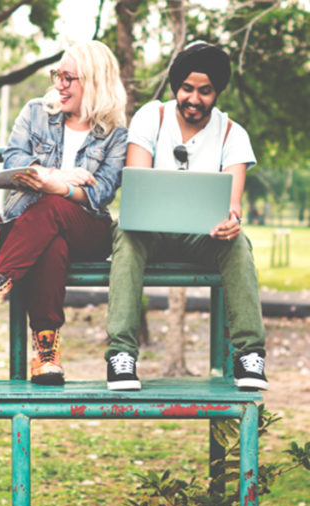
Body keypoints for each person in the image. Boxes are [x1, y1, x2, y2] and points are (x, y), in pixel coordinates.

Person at [0, 41, 129, 385]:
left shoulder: (115, 135)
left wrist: (54, 186)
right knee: (52, 244)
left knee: (53, 208)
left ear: (94, 81)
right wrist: (59, 176)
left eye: (69, 77)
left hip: (87, 229)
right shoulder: (35, 112)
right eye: (56, 75)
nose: (59, 84)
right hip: (29, 226)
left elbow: (101, 192)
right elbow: (16, 160)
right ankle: (46, 353)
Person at [104, 42, 268, 391]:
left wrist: (231, 220)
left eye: (205, 91)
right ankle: (121, 355)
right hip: (150, 236)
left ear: (216, 92)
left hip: (203, 238)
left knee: (238, 241)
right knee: (127, 234)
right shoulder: (153, 116)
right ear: (176, 88)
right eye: (187, 89)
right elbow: (137, 184)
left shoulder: (232, 134)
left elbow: (232, 205)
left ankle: (249, 355)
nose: (194, 98)